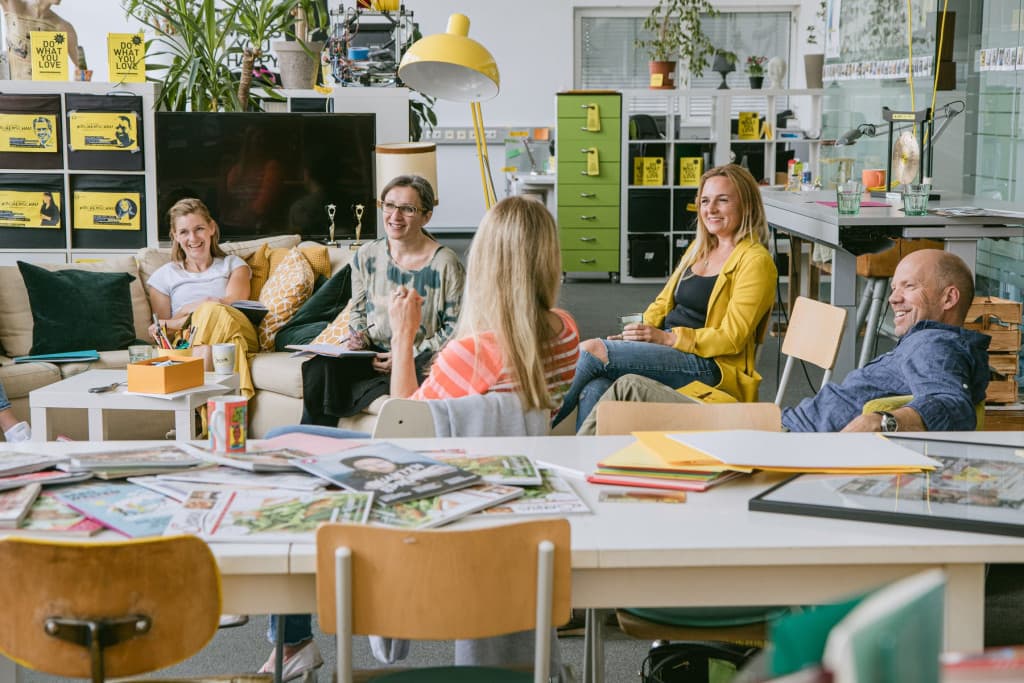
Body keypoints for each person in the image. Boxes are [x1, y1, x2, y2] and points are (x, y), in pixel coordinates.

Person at [263, 195, 580, 679]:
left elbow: (406, 425)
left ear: (485, 262)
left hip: (444, 476)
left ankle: (293, 641)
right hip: (515, 478)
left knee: (285, 438)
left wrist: (405, 334)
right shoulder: (567, 333)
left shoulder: (475, 353)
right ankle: (293, 640)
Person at [577, 249, 990, 435]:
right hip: (779, 424)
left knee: (624, 389)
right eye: (895, 286)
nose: (894, 298)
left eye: (909, 287)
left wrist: (883, 421)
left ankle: (550, 479)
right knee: (603, 388)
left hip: (781, 439)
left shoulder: (933, 344)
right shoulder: (929, 343)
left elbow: (952, 403)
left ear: (949, 298)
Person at [552, 164, 777, 431]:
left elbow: (731, 337)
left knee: (592, 351)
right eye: (705, 201)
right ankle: (588, 462)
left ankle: (533, 428)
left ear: (747, 205)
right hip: (669, 350)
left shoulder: (755, 262)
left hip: (710, 367)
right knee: (597, 385)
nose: (711, 209)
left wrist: (668, 338)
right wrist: (635, 333)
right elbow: (663, 302)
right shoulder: (700, 247)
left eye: (723, 200)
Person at [299, 174, 464, 427]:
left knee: (426, 370)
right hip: (373, 355)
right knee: (321, 366)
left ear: (426, 216)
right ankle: (314, 439)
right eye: (389, 205)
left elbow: (455, 328)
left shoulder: (445, 263)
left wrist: (405, 353)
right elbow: (358, 310)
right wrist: (358, 338)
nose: (395, 217)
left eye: (408, 209)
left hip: (420, 355)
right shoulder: (366, 255)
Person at [146, 197, 258, 399]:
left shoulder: (233, 264)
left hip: (237, 326)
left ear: (212, 228)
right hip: (194, 341)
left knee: (213, 311)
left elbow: (234, 303)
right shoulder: (163, 276)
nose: (193, 238)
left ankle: (199, 414)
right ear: (175, 236)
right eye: (184, 232)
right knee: (208, 348)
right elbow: (164, 332)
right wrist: (189, 315)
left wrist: (192, 310)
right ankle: (223, 412)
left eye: (199, 228)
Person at [1, 0, 80, 80]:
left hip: (51, 90)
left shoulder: (64, 28)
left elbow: (81, 67)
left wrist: (79, 80)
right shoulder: (13, 6)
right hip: (13, 89)